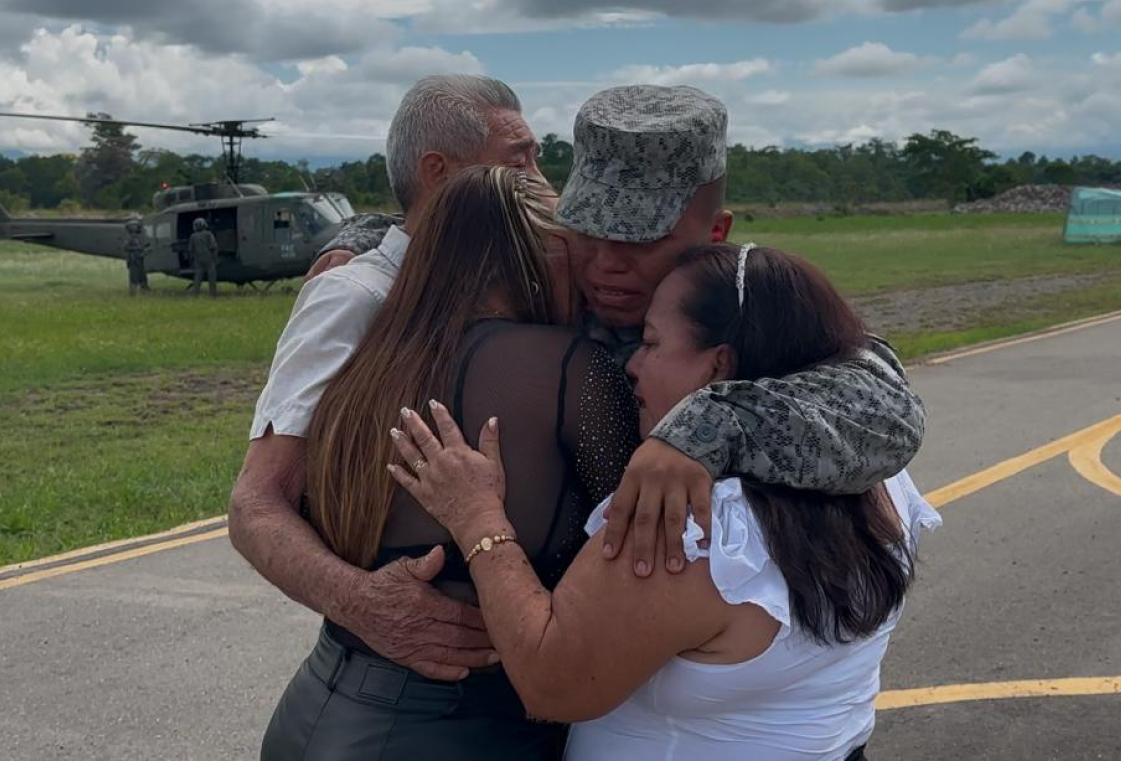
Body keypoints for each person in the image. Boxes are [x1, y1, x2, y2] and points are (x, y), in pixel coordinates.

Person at [230, 81, 922, 701]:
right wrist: (369, 234)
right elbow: (456, 230)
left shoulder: (745, 306)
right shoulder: (540, 277)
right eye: (588, 230)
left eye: (642, 239)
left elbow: (884, 407)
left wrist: (706, 428)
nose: (605, 264)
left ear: (715, 235)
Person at [389, 242, 942, 761]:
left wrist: (478, 518)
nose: (633, 364)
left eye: (652, 343)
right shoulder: (872, 474)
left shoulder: (688, 519)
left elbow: (550, 683)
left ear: (718, 366)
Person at [260, 165, 635, 758]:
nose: (589, 271)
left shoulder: (372, 364)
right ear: (533, 254)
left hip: (316, 704)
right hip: (462, 726)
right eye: (572, 249)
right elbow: (633, 538)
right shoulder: (568, 369)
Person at [188, 217, 219, 296]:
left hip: (198, 260)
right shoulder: (209, 234)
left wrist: (191, 260)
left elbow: (190, 250)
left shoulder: (193, 236)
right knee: (212, 278)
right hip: (209, 258)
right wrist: (214, 258)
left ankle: (196, 294)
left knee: (197, 278)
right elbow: (214, 246)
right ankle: (212, 294)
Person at [122, 218, 150, 295]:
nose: (135, 227)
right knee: (134, 276)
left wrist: (145, 249)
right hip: (133, 259)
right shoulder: (129, 238)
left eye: (136, 226)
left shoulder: (139, 237)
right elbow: (125, 247)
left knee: (142, 275)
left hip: (140, 258)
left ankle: (144, 289)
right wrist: (137, 248)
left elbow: (143, 246)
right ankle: (132, 292)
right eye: (133, 226)